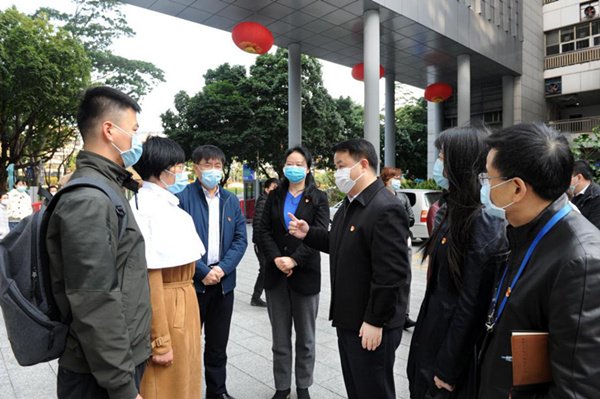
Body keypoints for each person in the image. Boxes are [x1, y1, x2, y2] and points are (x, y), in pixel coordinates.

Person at [478, 123, 600, 399]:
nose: (484, 186)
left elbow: (576, 390)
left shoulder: (581, 262)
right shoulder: (525, 232)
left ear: (517, 188)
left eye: (488, 178)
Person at [46, 86, 151, 399]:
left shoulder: (107, 186)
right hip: (100, 375)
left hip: (111, 364)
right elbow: (94, 300)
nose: (134, 139)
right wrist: (121, 386)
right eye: (132, 130)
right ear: (109, 130)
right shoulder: (89, 199)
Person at [288, 138, 411, 399]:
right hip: (349, 318)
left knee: (374, 391)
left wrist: (375, 321)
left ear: (363, 164)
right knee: (357, 390)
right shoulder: (350, 204)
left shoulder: (385, 207)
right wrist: (308, 233)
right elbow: (340, 243)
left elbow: (391, 274)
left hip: (371, 324)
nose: (337, 173)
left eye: (341, 165)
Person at [406, 127, 507, 399]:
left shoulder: (484, 220)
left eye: (442, 156)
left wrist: (448, 367)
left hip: (451, 352)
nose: (438, 163)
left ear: (460, 163)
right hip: (432, 335)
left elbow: (473, 303)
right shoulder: (452, 209)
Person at [131, 136, 205, 399]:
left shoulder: (163, 204)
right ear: (162, 170)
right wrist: (159, 341)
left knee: (185, 381)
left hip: (183, 301)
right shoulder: (148, 210)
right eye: (178, 166)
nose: (181, 172)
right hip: (168, 306)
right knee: (167, 387)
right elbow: (151, 279)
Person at [176, 145, 247, 399]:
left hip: (223, 285)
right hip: (194, 284)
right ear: (195, 168)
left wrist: (222, 269)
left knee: (218, 345)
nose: (213, 170)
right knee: (188, 345)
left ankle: (217, 392)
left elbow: (241, 239)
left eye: (218, 166)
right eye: (207, 165)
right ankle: (187, 391)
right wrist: (203, 271)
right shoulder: (182, 198)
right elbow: (177, 241)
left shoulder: (230, 200)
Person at [258, 147, 329, 399]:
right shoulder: (274, 196)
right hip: (276, 275)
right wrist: (278, 259)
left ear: (308, 168)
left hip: (305, 274)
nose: (294, 167)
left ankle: (303, 386)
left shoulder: (319, 197)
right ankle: (282, 387)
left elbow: (319, 235)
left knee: (306, 339)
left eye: (299, 163)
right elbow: (262, 231)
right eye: (290, 163)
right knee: (280, 339)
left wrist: (294, 260)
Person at [380, 167, 416, 329]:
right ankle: (388, 312)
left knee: (406, 279)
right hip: (387, 244)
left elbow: (411, 218)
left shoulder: (403, 198)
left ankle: (404, 314)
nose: (398, 181)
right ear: (386, 179)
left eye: (399, 178)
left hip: (405, 241)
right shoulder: (380, 197)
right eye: (395, 178)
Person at [251, 177, 280, 307]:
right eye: (273, 188)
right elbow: (258, 225)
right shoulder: (263, 202)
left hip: (267, 243)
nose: (276, 191)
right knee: (264, 269)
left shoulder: (272, 202)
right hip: (261, 244)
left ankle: (263, 296)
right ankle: (256, 297)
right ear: (267, 189)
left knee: (267, 269)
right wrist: (262, 244)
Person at [570, 159, 600, 229]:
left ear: (579, 178)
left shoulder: (597, 197)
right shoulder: (572, 194)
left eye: (568, 178)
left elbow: (595, 229)